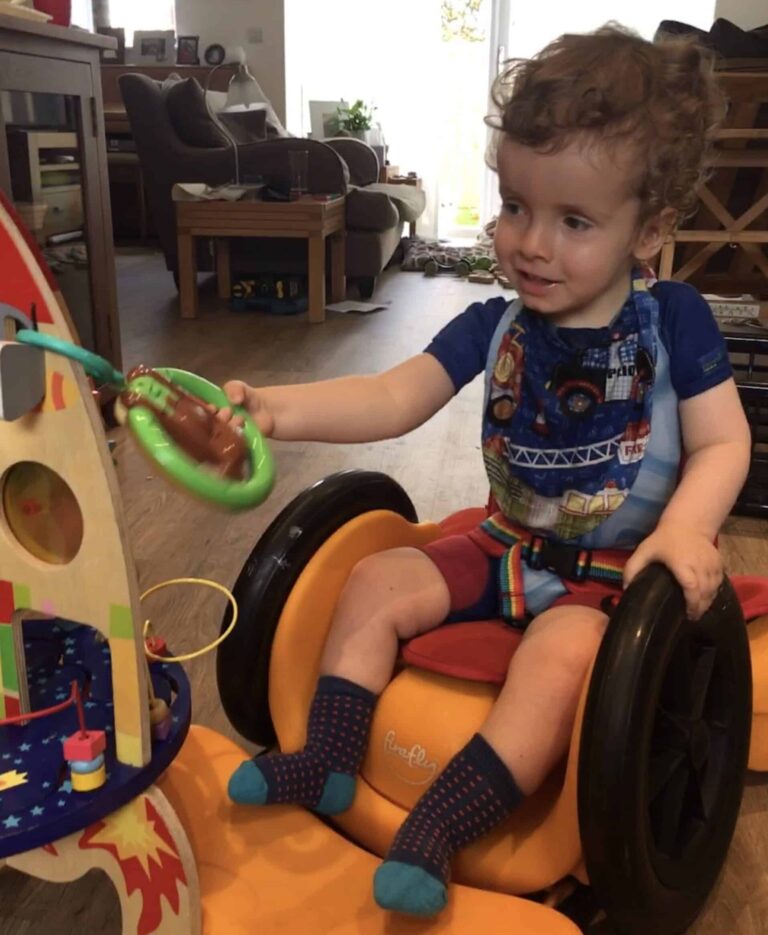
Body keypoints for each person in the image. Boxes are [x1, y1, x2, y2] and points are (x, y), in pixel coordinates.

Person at [219, 24, 751, 918]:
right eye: (515, 207)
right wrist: (274, 409)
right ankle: (330, 758)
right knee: (378, 577)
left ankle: (440, 821)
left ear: (650, 230)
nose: (531, 244)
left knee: (558, 661)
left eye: (574, 221)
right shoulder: (497, 323)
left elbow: (725, 443)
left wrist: (685, 529)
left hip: (613, 576)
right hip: (507, 542)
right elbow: (392, 398)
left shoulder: (677, 322)